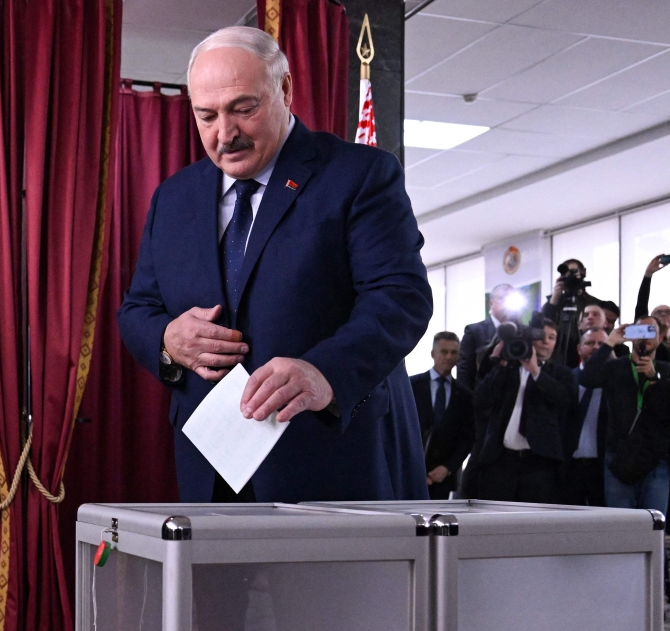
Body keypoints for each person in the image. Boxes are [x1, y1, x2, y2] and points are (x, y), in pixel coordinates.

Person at [117, 26, 432, 505]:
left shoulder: (360, 175)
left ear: (284, 89)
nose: (225, 134)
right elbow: (138, 309)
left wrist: (324, 372)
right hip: (210, 472)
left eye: (244, 109)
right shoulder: (173, 198)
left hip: (331, 462)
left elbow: (400, 299)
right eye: (206, 116)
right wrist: (167, 341)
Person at [472, 319, 578, 503]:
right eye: (541, 336)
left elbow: (564, 399)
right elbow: (481, 400)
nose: (546, 341)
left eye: (552, 337)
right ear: (529, 339)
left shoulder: (560, 373)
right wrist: (501, 363)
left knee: (533, 523)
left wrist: (536, 372)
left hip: (540, 464)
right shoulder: (507, 369)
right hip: (501, 461)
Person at [580, 318, 670, 512]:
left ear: (660, 337)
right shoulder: (615, 367)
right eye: (640, 331)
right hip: (618, 455)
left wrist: (653, 378)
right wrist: (610, 342)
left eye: (651, 331)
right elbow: (587, 378)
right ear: (632, 336)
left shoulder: (669, 370)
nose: (645, 337)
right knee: (621, 525)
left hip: (655, 458)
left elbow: (667, 410)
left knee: (654, 524)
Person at [409, 332, 475, 500]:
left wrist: (448, 468)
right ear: (433, 354)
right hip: (411, 472)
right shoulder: (412, 386)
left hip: (443, 478)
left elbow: (467, 437)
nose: (448, 357)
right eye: (444, 351)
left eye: (453, 352)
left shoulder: (464, 395)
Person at [559, 328, 609, 506]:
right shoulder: (566, 378)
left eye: (601, 344)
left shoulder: (613, 381)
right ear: (579, 348)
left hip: (602, 466)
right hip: (569, 465)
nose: (596, 347)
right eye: (589, 343)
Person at [543, 259, 602, 368]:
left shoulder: (593, 304)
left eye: (574, 272)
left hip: (585, 358)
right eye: (566, 274)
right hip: (556, 358)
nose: (570, 277)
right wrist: (554, 300)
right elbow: (543, 325)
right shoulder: (555, 303)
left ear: (583, 273)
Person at [457, 283, 515, 389]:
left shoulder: (520, 331)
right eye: (502, 298)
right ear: (491, 303)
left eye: (510, 299)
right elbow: (464, 371)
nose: (506, 302)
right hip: (483, 394)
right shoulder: (474, 331)